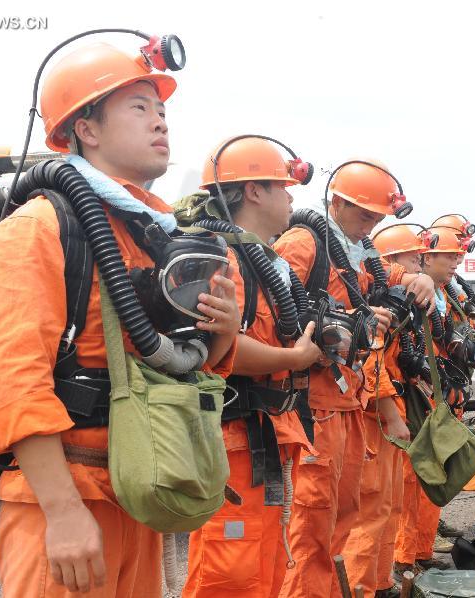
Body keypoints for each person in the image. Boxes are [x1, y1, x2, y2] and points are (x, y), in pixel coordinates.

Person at [0, 42, 241, 596]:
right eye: (138, 106)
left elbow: (175, 368)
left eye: (162, 110)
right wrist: (62, 512)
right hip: (66, 494)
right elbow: (6, 379)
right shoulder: (40, 228)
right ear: (85, 129)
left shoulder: (152, 236)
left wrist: (221, 335)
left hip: (142, 485)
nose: (160, 120)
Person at [274, 160, 434, 598]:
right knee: (309, 527)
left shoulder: (355, 251)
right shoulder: (305, 244)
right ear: (336, 203)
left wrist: (420, 278)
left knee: (340, 519)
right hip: (311, 409)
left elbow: (386, 277)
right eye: (365, 216)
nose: (372, 226)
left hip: (342, 407)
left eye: (378, 219)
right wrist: (345, 321)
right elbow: (278, 315)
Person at [182, 137, 323, 597]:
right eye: (282, 186)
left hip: (267, 435)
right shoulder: (222, 255)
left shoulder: (267, 261)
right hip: (234, 439)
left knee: (267, 562)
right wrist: (294, 359)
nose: (290, 197)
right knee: (230, 571)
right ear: (254, 192)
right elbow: (219, 348)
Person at [342, 224, 430, 597]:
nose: (417, 266)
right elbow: (371, 361)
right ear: (390, 260)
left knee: (388, 506)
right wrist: (392, 415)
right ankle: (362, 587)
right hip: (372, 415)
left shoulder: (394, 300)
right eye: (412, 258)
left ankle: (379, 582)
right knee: (370, 509)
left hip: (385, 410)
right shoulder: (375, 298)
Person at [394, 225, 469, 577]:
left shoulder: (441, 295)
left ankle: (417, 551)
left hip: (435, 392)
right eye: (450, 255)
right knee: (412, 482)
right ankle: (403, 558)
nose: (456, 262)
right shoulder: (405, 296)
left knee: (431, 475)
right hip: (412, 397)